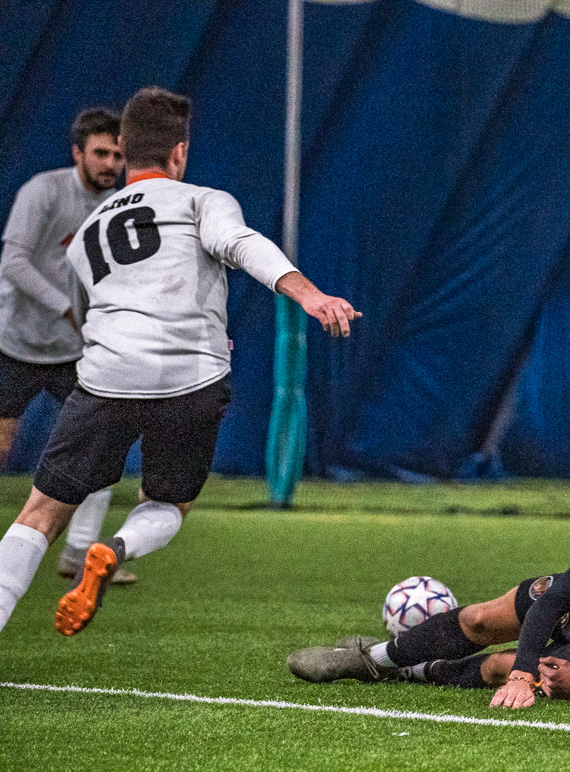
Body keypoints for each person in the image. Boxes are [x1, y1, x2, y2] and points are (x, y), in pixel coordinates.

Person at [0, 86, 360, 637]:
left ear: (124, 150)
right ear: (179, 154)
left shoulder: (88, 232)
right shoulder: (201, 199)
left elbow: (87, 311)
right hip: (191, 380)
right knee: (170, 504)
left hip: (106, 377)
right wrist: (309, 295)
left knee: (40, 513)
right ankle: (115, 549)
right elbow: (240, 244)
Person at [287, 479, 570, 707]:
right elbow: (554, 602)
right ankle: (372, 658)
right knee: (481, 619)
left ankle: (407, 670)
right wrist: (524, 673)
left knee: (499, 665)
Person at [0, 108, 135, 584]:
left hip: (74, 353)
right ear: (78, 152)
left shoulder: (121, 207)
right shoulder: (43, 191)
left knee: (102, 445)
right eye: (100, 152)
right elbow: (12, 261)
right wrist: (65, 307)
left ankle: (79, 555)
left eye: (118, 155)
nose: (110, 163)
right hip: (12, 344)